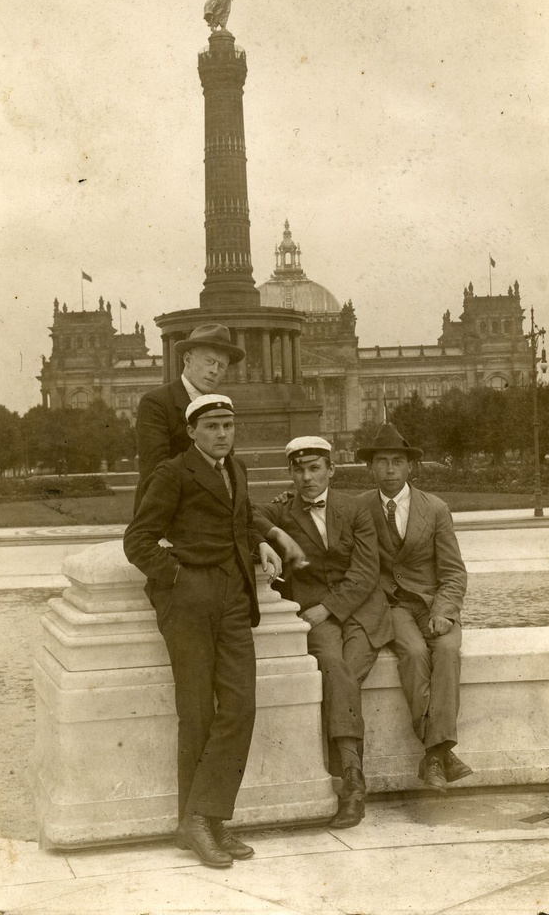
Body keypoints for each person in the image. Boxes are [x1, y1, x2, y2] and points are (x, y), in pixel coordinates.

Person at [124, 394, 282, 868]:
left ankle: (202, 818)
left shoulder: (236, 471)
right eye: (211, 425)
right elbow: (137, 540)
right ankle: (200, 823)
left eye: (228, 425)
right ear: (192, 431)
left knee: (240, 705)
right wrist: (176, 578)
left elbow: (238, 525)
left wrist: (261, 546)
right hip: (189, 600)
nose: (221, 434)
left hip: (234, 597)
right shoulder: (173, 473)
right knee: (196, 712)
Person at [255, 436, 393, 828]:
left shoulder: (355, 508)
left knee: (343, 668)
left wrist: (327, 608)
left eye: (315, 468)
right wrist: (277, 534)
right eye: (298, 470)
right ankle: (352, 780)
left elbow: (366, 571)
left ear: (331, 469)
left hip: (361, 610)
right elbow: (245, 514)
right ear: (290, 474)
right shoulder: (284, 510)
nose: (306, 477)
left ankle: (349, 778)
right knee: (332, 663)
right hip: (316, 614)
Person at [357, 422, 472, 793]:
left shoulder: (435, 508)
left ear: (410, 467)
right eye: (381, 462)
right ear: (370, 468)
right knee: (414, 652)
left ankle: (434, 755)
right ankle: (439, 752)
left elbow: (454, 572)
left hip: (432, 601)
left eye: (396, 462)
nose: (389, 469)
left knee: (449, 649)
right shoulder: (357, 508)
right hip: (390, 605)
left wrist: (444, 611)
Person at [134, 323, 244, 510]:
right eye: (209, 361)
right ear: (187, 359)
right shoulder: (156, 402)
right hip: (166, 515)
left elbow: (225, 464)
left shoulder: (221, 406)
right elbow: (156, 471)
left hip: (211, 514)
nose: (215, 371)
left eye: (222, 366)